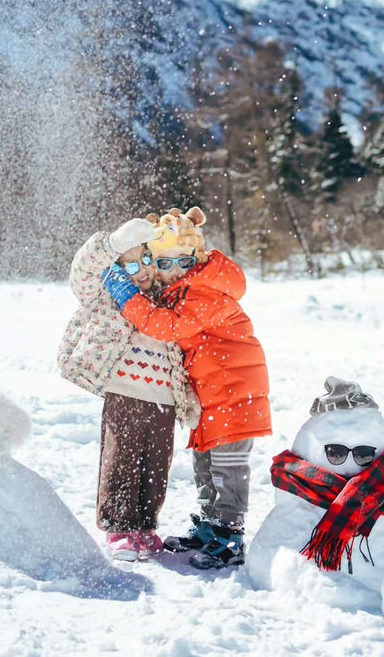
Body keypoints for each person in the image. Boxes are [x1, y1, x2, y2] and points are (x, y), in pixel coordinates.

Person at [102, 206, 272, 569]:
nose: (173, 271)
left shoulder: (205, 291)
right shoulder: (184, 289)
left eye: (182, 261)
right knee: (204, 464)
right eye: (163, 264)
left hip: (232, 391)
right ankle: (211, 526)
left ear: (196, 257)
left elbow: (168, 328)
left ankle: (230, 536)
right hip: (212, 394)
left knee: (228, 467)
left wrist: (128, 300)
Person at [57, 217, 200, 562]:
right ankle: (119, 528)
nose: (143, 271)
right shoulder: (109, 296)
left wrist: (187, 398)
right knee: (122, 461)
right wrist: (111, 245)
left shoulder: (166, 302)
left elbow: (179, 356)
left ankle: (145, 526)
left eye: (147, 260)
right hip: (126, 394)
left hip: (163, 401)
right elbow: (82, 273)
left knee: (156, 466)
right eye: (132, 264)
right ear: (119, 269)